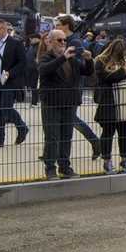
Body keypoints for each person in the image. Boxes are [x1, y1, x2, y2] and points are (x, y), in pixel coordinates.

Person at [37, 29, 93, 180]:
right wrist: (63, 57)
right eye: (59, 40)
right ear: (50, 41)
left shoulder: (72, 59)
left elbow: (86, 72)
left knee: (66, 136)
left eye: (64, 40)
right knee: (52, 137)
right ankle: (50, 168)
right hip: (52, 103)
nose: (63, 43)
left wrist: (88, 60)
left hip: (69, 102)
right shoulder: (46, 57)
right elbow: (44, 70)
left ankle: (65, 166)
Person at [55, 15, 102, 158]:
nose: (56, 27)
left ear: (66, 25)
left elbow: (79, 64)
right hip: (62, 86)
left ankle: (94, 141)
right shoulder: (66, 40)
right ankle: (50, 151)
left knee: (70, 118)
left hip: (71, 86)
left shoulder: (74, 41)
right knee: (58, 119)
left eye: (58, 24)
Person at [93, 39, 126, 174]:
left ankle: (124, 159)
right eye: (120, 53)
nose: (123, 56)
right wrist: (123, 72)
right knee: (108, 133)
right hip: (109, 103)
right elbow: (105, 78)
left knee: (124, 134)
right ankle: (107, 161)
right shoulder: (101, 61)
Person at [0, 18, 29, 148]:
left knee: (6, 109)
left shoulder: (15, 43)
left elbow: (22, 63)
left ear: (3, 29)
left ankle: (22, 127)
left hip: (9, 82)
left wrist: (10, 73)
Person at [25, 33, 42, 105]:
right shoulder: (31, 46)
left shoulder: (39, 47)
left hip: (36, 70)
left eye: (31, 39)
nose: (30, 40)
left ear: (36, 39)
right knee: (32, 86)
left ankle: (34, 102)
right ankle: (33, 101)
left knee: (35, 86)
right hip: (29, 69)